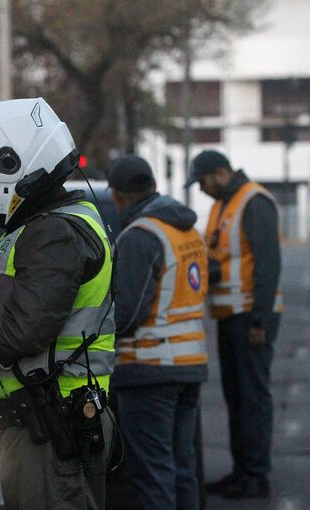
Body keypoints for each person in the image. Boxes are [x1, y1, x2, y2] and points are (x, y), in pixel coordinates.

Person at [0, 98, 116, 510]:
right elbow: (26, 318)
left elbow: (22, 334)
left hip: (51, 429)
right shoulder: (53, 226)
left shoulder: (53, 234)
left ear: (17, 170)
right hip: (46, 424)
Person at [107, 155, 209, 510]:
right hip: (189, 363)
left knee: (153, 474)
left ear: (117, 195)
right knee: (183, 469)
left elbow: (127, 313)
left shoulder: (140, 236)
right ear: (152, 185)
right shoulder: (187, 231)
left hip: (148, 368)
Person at [185, 149, 283, 500]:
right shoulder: (222, 205)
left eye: (203, 181)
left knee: (252, 398)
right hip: (230, 316)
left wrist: (259, 319)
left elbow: (268, 264)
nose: (203, 189)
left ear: (221, 173)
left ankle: (256, 476)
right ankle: (242, 472)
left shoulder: (253, 201)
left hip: (251, 317)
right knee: (237, 398)